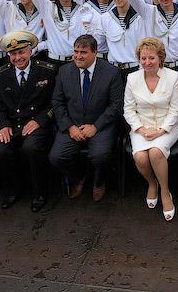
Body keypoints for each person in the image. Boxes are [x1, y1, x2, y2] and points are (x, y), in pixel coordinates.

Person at [49, 34, 124, 201]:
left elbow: (116, 105)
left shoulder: (111, 72)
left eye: (83, 52)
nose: (78, 56)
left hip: (100, 126)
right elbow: (57, 102)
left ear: (95, 52)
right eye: (76, 51)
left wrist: (95, 126)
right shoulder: (64, 71)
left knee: (100, 155)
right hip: (72, 125)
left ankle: (99, 181)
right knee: (56, 157)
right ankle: (79, 177)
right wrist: (70, 127)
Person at [0, 31, 56, 212]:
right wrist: (2, 125)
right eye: (13, 53)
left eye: (21, 52)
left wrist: (40, 120)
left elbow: (54, 101)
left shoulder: (47, 70)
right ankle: (12, 190)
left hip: (36, 122)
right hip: (11, 123)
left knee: (31, 148)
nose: (18, 57)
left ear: (30, 51)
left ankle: (39, 192)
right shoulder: (1, 74)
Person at [123, 37, 178, 221]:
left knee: (156, 153)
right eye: (143, 58)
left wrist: (161, 130)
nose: (147, 62)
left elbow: (176, 110)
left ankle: (165, 191)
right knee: (140, 157)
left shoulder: (173, 77)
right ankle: (151, 183)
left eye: (151, 58)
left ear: (160, 58)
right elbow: (128, 109)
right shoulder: (132, 78)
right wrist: (141, 129)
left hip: (168, 126)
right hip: (142, 127)